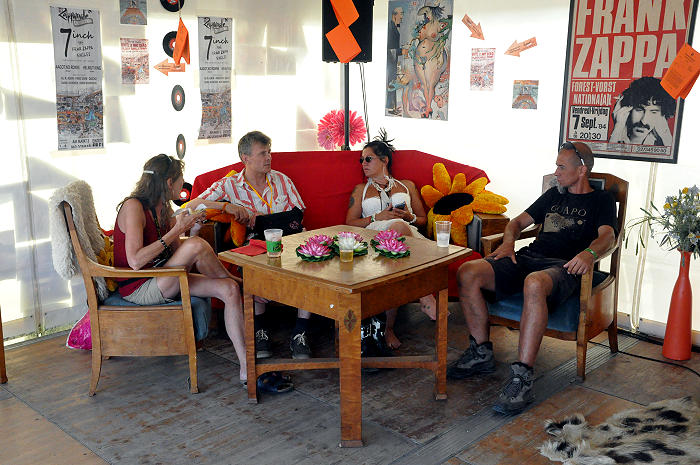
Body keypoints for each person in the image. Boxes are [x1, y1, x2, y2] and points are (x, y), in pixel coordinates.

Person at [450, 142, 617, 414]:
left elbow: (608, 236)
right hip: (528, 258)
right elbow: (516, 223)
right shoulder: (553, 194)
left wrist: (588, 254)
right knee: (467, 271)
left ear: (582, 170)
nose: (556, 172)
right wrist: (508, 242)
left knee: (535, 282)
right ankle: (480, 353)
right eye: (556, 166)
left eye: (561, 167)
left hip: (564, 267)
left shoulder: (601, 200)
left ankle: (522, 377)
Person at [113, 154, 259, 390]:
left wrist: (193, 229)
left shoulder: (163, 208)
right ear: (169, 182)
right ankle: (243, 283)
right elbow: (135, 261)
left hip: (164, 277)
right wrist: (178, 231)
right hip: (139, 286)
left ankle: (246, 366)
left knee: (229, 289)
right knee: (198, 248)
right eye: (181, 179)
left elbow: (177, 255)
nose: (184, 184)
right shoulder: (134, 207)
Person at [187, 131, 313, 360]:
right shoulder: (230, 184)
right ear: (245, 158)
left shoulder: (282, 180)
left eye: (269, 152)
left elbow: (299, 213)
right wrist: (226, 206)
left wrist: (270, 221)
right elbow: (193, 205)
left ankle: (301, 330)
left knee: (309, 257)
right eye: (262, 153)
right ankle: (260, 327)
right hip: (255, 243)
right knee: (251, 261)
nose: (269, 157)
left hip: (288, 239)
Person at [345, 131, 437, 351]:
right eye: (361, 160)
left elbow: (422, 220)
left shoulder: (407, 186)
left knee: (397, 235)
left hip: (408, 236)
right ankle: (425, 294)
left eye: (368, 159)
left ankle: (388, 328)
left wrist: (408, 216)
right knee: (395, 233)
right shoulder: (360, 190)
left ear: (384, 160)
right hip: (373, 238)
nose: (363, 164)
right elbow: (349, 223)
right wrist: (376, 217)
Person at [409, 5, 451, 119]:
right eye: (425, 13)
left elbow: (441, 39)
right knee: (424, 85)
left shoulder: (438, 24)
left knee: (430, 84)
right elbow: (418, 36)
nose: (426, 15)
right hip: (419, 59)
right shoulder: (424, 25)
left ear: (432, 12)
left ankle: (428, 107)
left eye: (427, 12)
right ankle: (428, 108)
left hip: (432, 59)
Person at [609, 76, 676, 146]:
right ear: (626, 108)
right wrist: (618, 127)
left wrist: (666, 137)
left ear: (663, 116)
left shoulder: (664, 141)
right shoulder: (617, 133)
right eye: (639, 110)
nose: (644, 121)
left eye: (653, 112)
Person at [386, 6, 403, 115]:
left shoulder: (394, 27)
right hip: (390, 61)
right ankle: (390, 108)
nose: (402, 17)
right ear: (394, 15)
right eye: (401, 14)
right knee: (392, 83)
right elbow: (389, 49)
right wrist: (401, 51)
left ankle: (392, 107)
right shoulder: (390, 28)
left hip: (393, 61)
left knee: (393, 83)